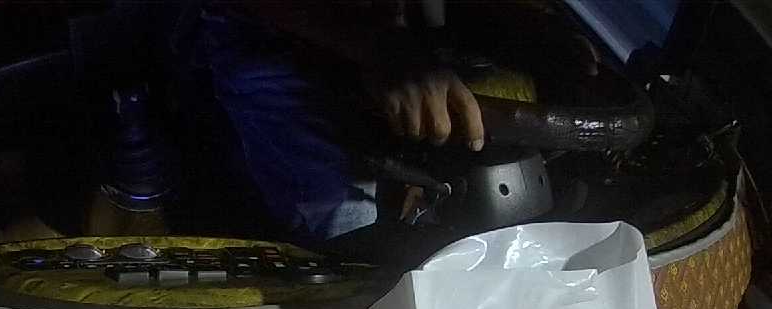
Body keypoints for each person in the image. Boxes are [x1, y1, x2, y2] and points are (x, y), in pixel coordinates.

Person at [179, 0, 597, 244]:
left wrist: (530, 22)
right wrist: (376, 46)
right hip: (275, 34)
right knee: (345, 228)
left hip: (408, 27)